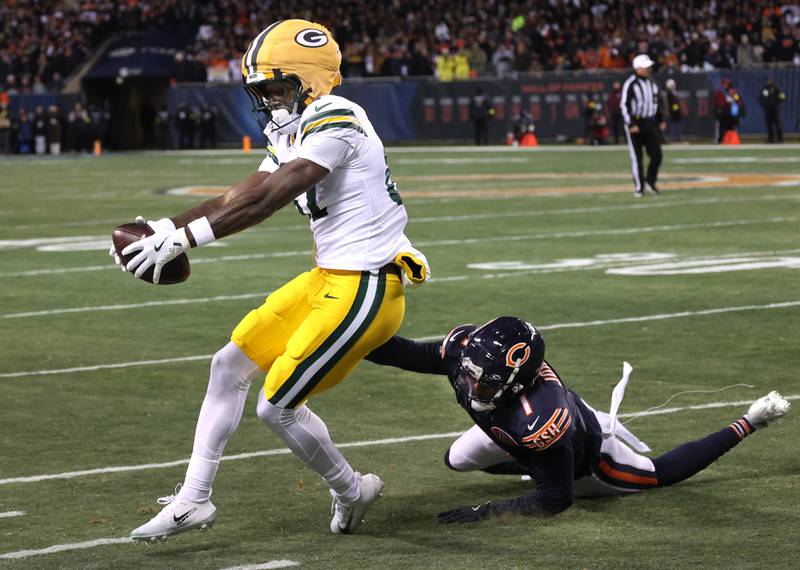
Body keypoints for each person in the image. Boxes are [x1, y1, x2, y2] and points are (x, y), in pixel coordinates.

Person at [112, 19, 430, 542]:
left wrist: (185, 242)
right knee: (228, 364)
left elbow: (270, 198)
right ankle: (194, 499)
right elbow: (237, 196)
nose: (268, 102)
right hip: (329, 277)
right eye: (261, 92)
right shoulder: (295, 126)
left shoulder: (338, 116)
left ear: (311, 82)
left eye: (277, 89)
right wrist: (163, 229)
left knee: (276, 406)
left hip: (368, 286)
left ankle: (353, 489)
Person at [366, 317, 790, 523]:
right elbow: (407, 354)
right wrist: (346, 340)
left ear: (515, 385)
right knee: (456, 459)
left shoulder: (539, 419)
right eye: (470, 375)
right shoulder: (470, 353)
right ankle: (536, 465)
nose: (471, 386)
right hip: (527, 438)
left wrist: (487, 512)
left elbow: (555, 501)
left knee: (657, 474)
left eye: (485, 383)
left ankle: (748, 422)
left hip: (593, 459)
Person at [621, 54, 665, 197]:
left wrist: (661, 119)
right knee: (637, 157)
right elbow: (624, 105)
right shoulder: (631, 83)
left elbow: (657, 102)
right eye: (646, 67)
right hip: (636, 122)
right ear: (637, 68)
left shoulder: (652, 83)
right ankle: (639, 187)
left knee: (657, 155)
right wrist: (631, 123)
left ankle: (650, 182)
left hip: (649, 122)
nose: (649, 69)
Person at [759, 77, 785, 143]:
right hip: (767, 110)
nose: (769, 82)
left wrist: (777, 103)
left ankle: (780, 139)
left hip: (774, 109)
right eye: (768, 81)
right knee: (769, 125)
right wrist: (764, 105)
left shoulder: (776, 88)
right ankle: (770, 139)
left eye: (770, 80)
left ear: (772, 81)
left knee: (777, 124)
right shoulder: (765, 89)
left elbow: (782, 96)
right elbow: (760, 98)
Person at [664, 78, 683, 143]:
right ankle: (675, 139)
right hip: (673, 114)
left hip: (676, 113)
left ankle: (678, 138)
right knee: (674, 126)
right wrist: (676, 110)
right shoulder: (669, 94)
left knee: (677, 126)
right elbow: (673, 104)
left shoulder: (673, 93)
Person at [607, 81, 622, 145]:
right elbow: (609, 104)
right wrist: (609, 112)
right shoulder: (611, 94)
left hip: (621, 112)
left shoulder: (622, 93)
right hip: (614, 112)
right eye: (615, 85)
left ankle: (627, 140)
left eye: (617, 84)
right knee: (615, 127)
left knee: (623, 126)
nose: (616, 86)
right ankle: (616, 141)